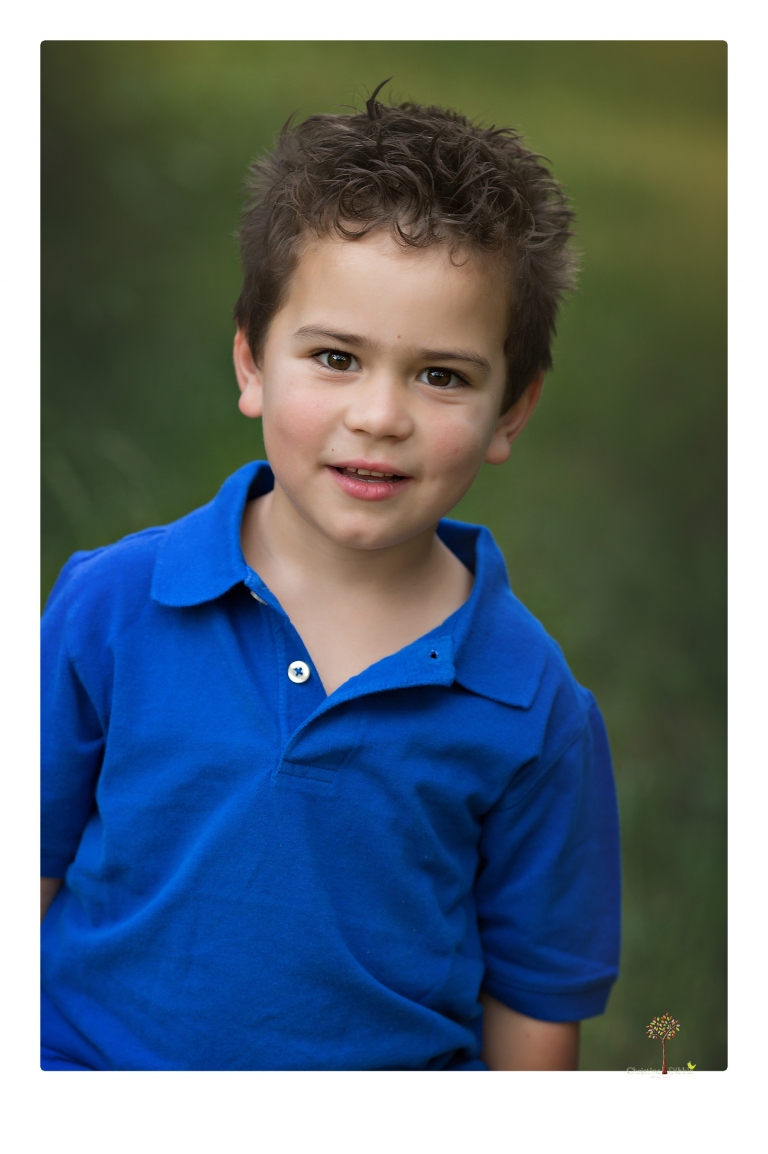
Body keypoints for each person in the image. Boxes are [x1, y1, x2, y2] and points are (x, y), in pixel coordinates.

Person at [41, 89, 621, 1071]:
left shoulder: (535, 708)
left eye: (441, 374)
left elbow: (533, 1007)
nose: (380, 414)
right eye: (337, 357)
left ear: (511, 410)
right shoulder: (111, 605)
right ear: (251, 362)